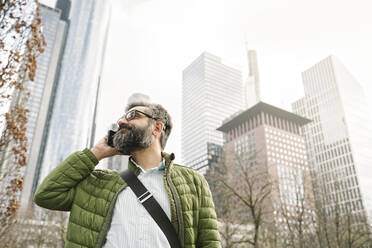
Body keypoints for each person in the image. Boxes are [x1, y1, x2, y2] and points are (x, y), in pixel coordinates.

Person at [34, 101, 221, 248]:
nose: (121, 121)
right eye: (121, 118)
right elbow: (46, 195)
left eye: (132, 115)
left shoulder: (193, 181)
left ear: (156, 128)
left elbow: (209, 242)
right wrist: (96, 153)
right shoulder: (98, 182)